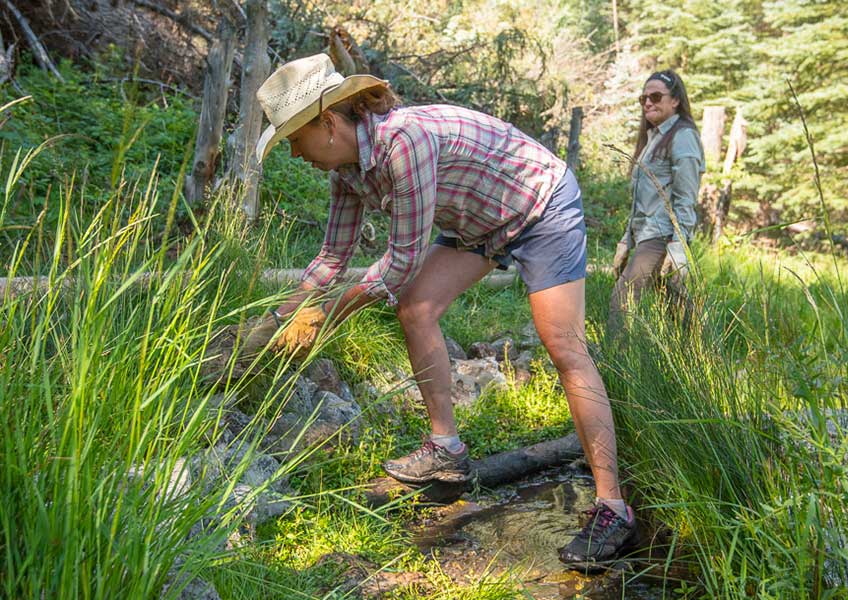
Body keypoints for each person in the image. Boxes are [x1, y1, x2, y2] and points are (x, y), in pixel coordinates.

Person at [251, 54, 636, 567]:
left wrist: (327, 313)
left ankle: (613, 508)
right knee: (416, 309)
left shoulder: (404, 142)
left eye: (294, 140)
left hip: (538, 202)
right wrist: (278, 319)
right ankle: (447, 450)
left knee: (564, 347)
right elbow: (330, 258)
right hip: (478, 219)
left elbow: (403, 258)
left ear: (326, 124)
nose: (294, 154)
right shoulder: (346, 172)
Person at [608, 70, 705, 333]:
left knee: (623, 296)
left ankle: (615, 364)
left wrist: (678, 244)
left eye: (655, 96)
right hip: (644, 233)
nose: (648, 103)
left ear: (675, 100)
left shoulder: (682, 136)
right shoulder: (654, 138)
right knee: (676, 304)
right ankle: (701, 358)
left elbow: (686, 196)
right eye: (644, 98)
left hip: (662, 234)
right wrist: (626, 239)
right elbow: (642, 200)